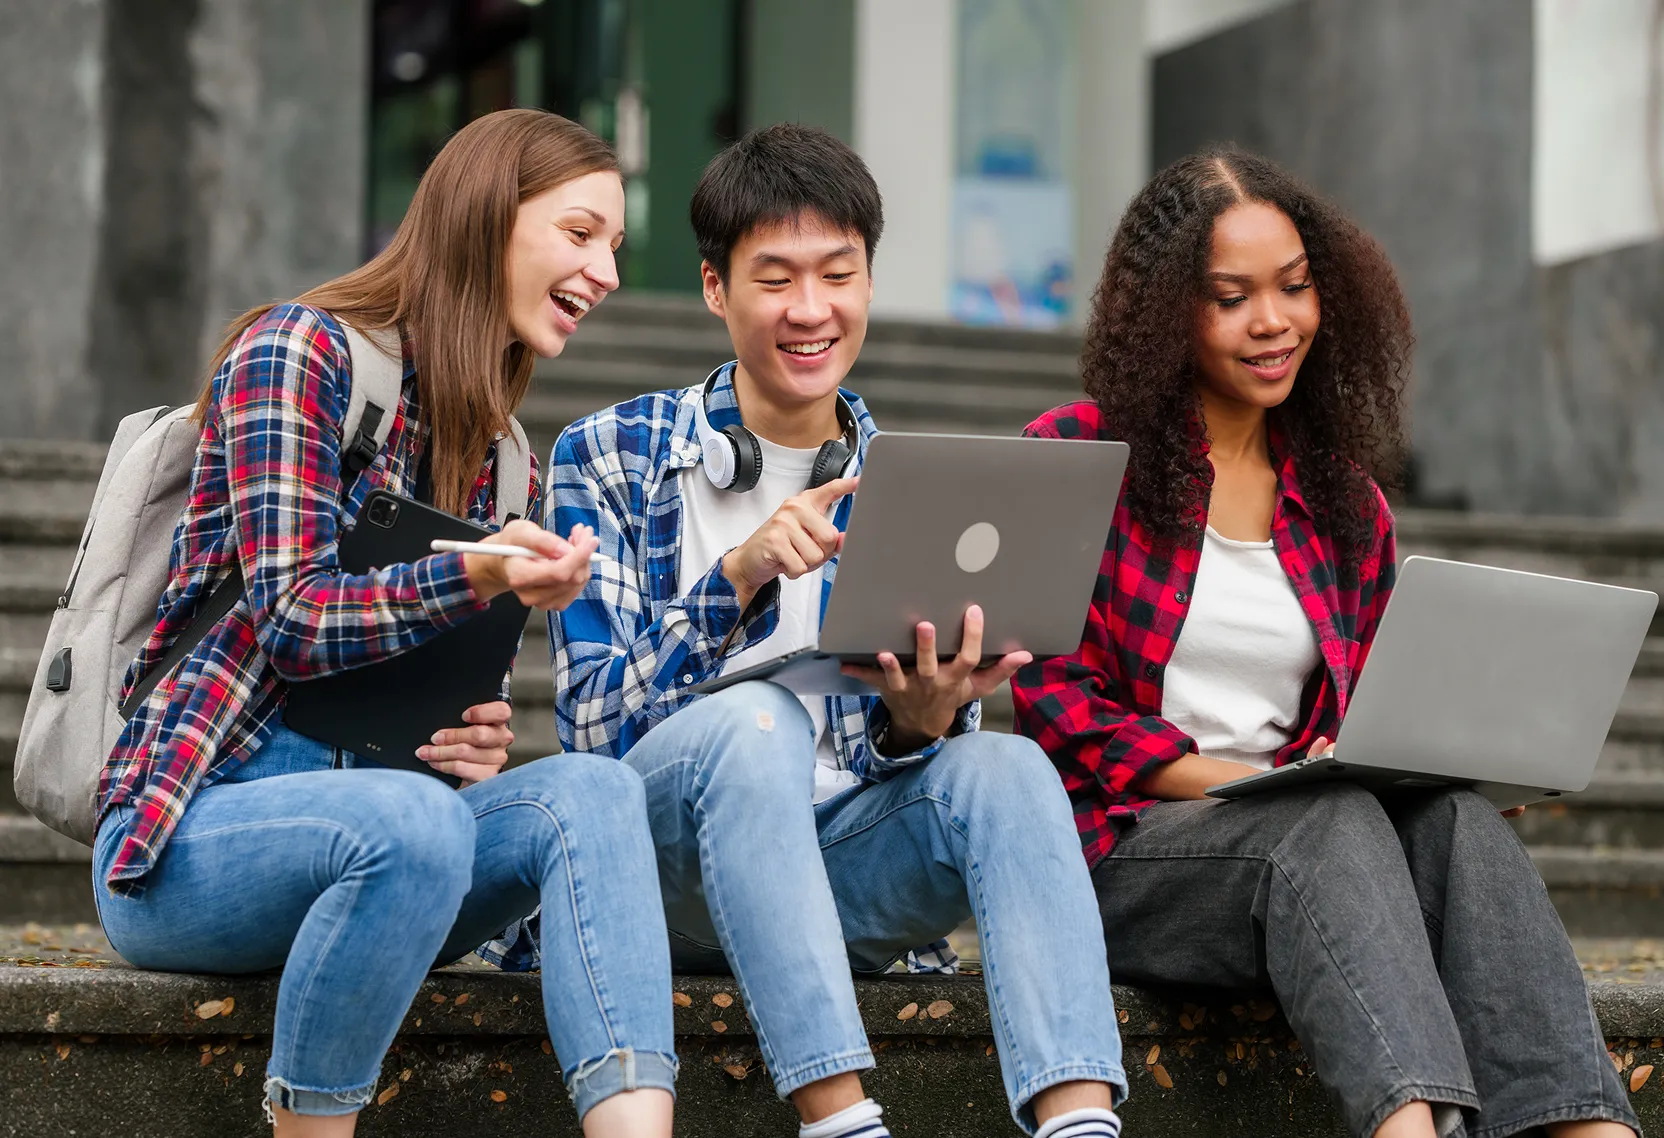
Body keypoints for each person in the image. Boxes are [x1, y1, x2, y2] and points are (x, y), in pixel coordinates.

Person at [1012, 147, 1640, 1138]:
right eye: (1231, 297)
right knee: (1325, 820)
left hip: (1314, 846)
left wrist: (1455, 758)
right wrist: (1253, 781)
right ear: (1167, 310)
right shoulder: (1073, 457)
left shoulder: (1344, 502)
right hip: (1123, 856)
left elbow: (1374, 711)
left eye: (1294, 288)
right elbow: (1056, 707)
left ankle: (1582, 1130)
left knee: (1455, 827)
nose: (1274, 321)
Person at [534, 123, 1127, 1138]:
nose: (811, 310)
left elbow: (924, 764)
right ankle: (837, 1116)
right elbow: (592, 745)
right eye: (776, 278)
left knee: (1011, 771)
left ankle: (1078, 1122)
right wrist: (737, 573)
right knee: (753, 720)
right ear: (716, 289)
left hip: (843, 880)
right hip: (661, 880)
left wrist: (920, 720)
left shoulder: (911, 480)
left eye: (837, 274)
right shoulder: (607, 455)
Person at [94, 110, 676, 1138]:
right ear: (488, 215)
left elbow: (434, 722)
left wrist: (467, 742)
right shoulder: (295, 351)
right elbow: (296, 620)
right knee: (414, 826)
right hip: (194, 834)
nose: (607, 273)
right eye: (581, 233)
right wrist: (478, 572)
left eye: (615, 248)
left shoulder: (504, 453)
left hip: (394, 832)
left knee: (591, 791)